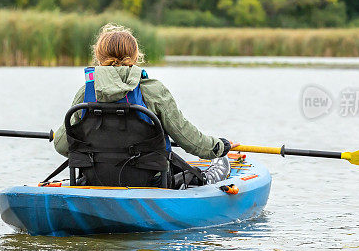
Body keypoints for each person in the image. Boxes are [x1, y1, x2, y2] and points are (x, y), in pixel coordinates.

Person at [53, 24, 238, 187]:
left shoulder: (86, 93)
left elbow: (62, 146)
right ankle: (210, 177)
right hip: (152, 182)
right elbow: (188, 139)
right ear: (135, 56)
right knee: (192, 174)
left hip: (97, 180)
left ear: (98, 56)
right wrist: (218, 147)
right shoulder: (153, 90)